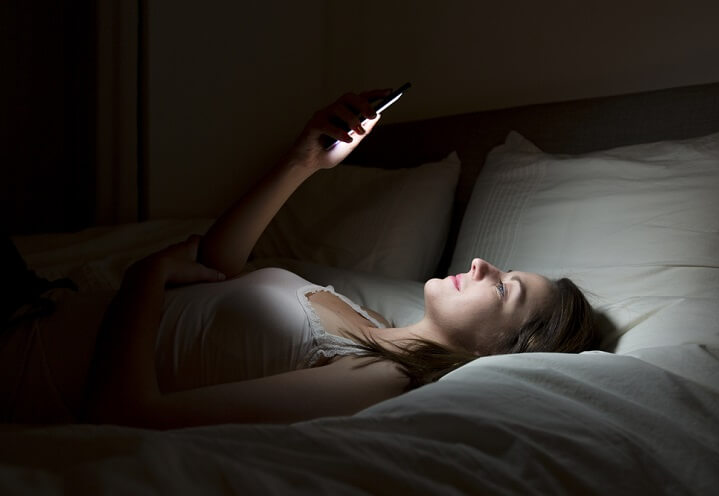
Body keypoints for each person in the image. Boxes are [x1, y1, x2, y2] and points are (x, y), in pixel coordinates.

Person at [4, 90, 599, 429]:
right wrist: (303, 161)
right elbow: (215, 268)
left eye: (504, 290)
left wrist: (142, 279)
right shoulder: (365, 323)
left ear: (498, 352)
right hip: (30, 298)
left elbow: (127, 416)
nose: (480, 265)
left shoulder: (376, 379)